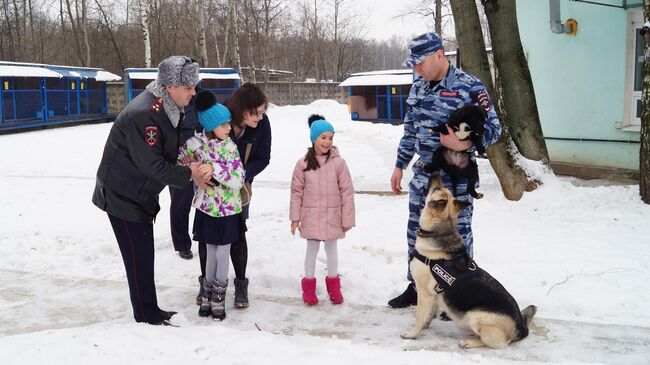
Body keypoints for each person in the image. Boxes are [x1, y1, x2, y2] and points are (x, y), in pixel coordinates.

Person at [92, 56, 213, 325]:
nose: (194, 93)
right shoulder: (145, 114)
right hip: (123, 195)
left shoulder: (167, 107)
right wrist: (190, 173)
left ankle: (149, 309)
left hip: (138, 192)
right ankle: (146, 315)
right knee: (139, 257)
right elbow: (154, 166)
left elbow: (163, 153)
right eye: (189, 87)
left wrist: (187, 164)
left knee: (143, 256)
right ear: (170, 86)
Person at [388, 32, 502, 308]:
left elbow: (494, 129)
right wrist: (399, 165)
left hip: (455, 180)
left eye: (420, 63)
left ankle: (459, 295)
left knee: (456, 241)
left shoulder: (470, 87)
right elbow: (410, 129)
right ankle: (417, 288)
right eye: (413, 64)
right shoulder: (418, 86)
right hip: (424, 177)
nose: (416, 69)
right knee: (417, 233)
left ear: (439, 55)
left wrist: (463, 143)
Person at [196, 83, 272, 309]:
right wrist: (198, 170)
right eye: (255, 112)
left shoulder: (261, 125)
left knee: (237, 233)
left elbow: (263, 156)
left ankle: (240, 283)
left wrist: (240, 176)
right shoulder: (219, 116)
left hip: (238, 190)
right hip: (208, 187)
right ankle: (206, 283)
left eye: (262, 111)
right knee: (207, 237)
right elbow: (196, 144)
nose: (260, 116)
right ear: (241, 109)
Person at [180, 90, 245, 320]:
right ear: (211, 126)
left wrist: (215, 169)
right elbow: (179, 160)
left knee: (223, 252)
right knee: (209, 251)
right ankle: (207, 292)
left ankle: (219, 296)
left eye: (229, 124)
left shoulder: (231, 147)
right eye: (224, 124)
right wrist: (195, 169)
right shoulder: (196, 145)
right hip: (207, 209)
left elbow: (238, 178)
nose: (229, 128)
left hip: (228, 210)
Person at [290, 114, 355, 305]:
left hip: (333, 215)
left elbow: (347, 191)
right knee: (311, 250)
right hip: (311, 216)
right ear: (314, 138)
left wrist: (347, 219)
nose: (327, 142)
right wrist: (295, 218)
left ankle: (334, 288)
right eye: (323, 137)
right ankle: (309, 289)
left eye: (330, 137)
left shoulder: (338, 163)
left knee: (331, 250)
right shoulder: (302, 164)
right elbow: (296, 192)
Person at [170, 97, 199, 260]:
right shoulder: (168, 100)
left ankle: (201, 234)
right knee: (180, 201)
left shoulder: (198, 98)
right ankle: (182, 243)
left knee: (202, 199)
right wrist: (180, 154)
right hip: (175, 158)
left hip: (198, 154)